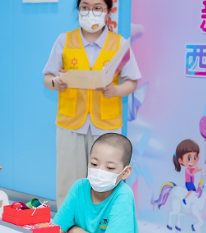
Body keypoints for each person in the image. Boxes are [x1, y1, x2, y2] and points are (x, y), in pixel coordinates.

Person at [43, 0, 141, 208]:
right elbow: (48, 77)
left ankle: (103, 224)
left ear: (108, 11)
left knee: (106, 182)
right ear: (78, 9)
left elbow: (132, 82)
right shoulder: (64, 40)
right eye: (85, 7)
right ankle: (67, 224)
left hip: (106, 125)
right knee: (69, 181)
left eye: (97, 8)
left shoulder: (119, 44)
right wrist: (55, 83)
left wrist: (115, 90)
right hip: (70, 123)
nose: (91, 12)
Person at [54, 133, 143, 233]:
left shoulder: (123, 195)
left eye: (110, 168)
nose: (99, 171)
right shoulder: (79, 187)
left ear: (125, 172)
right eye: (94, 164)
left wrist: (74, 230)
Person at [173, 139, 202, 203]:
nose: (192, 161)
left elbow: (197, 170)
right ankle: (184, 198)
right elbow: (191, 174)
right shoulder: (187, 170)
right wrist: (195, 170)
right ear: (181, 161)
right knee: (192, 191)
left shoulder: (192, 169)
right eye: (189, 158)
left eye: (195, 158)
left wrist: (202, 169)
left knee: (195, 191)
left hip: (191, 183)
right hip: (188, 183)